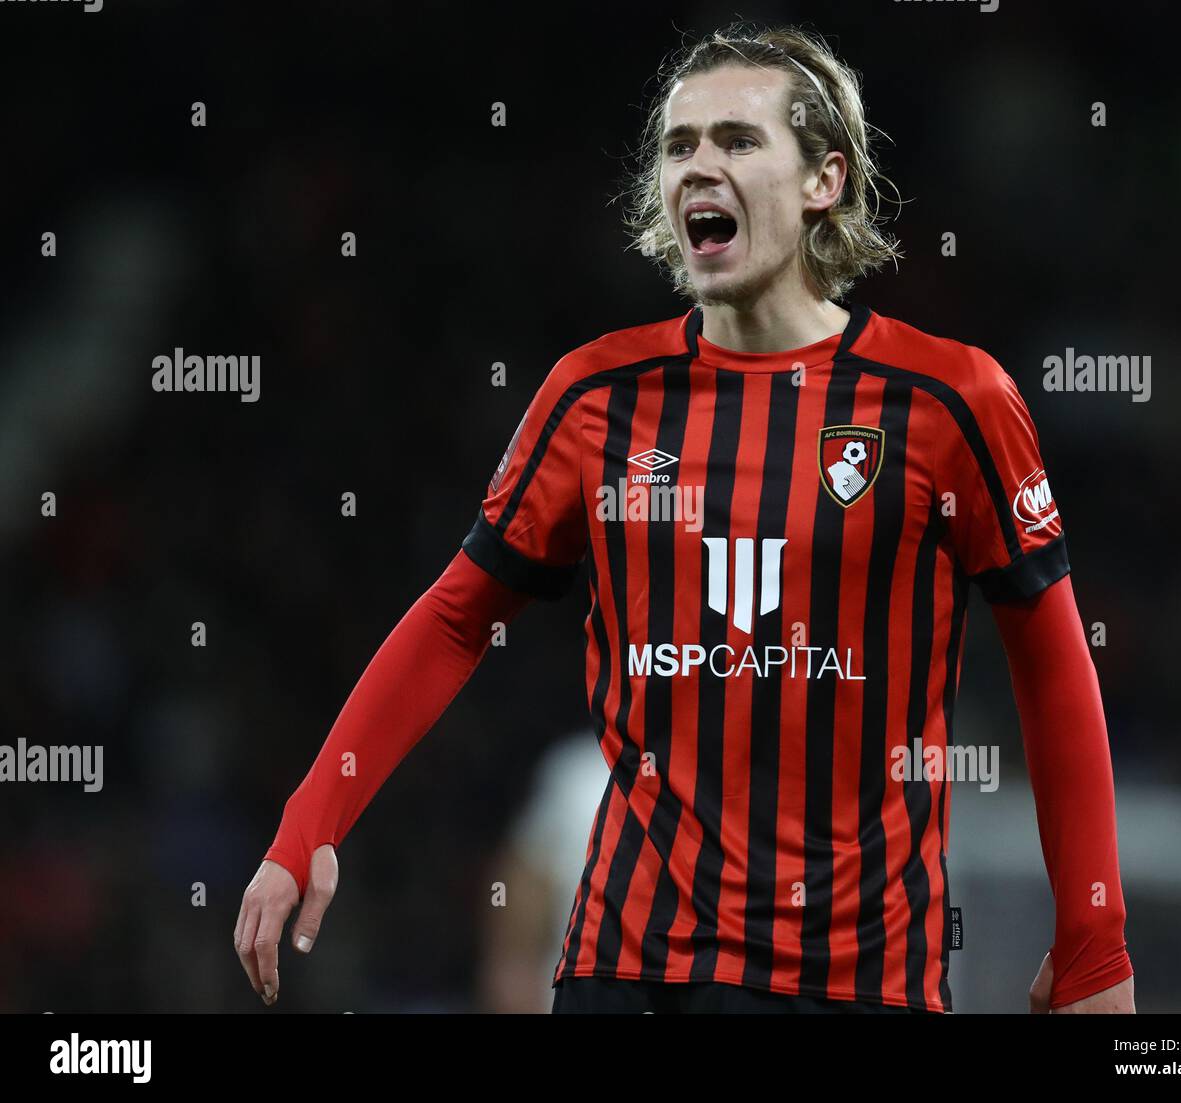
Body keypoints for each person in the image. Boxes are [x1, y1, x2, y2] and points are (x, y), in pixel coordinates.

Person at [235, 23, 1134, 1014]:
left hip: (857, 981)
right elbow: (456, 617)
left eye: (738, 141)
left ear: (822, 180)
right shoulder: (593, 396)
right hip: (627, 970)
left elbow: (1052, 664)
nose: (698, 164)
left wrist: (1092, 940)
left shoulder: (948, 400)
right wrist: (307, 820)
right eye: (677, 146)